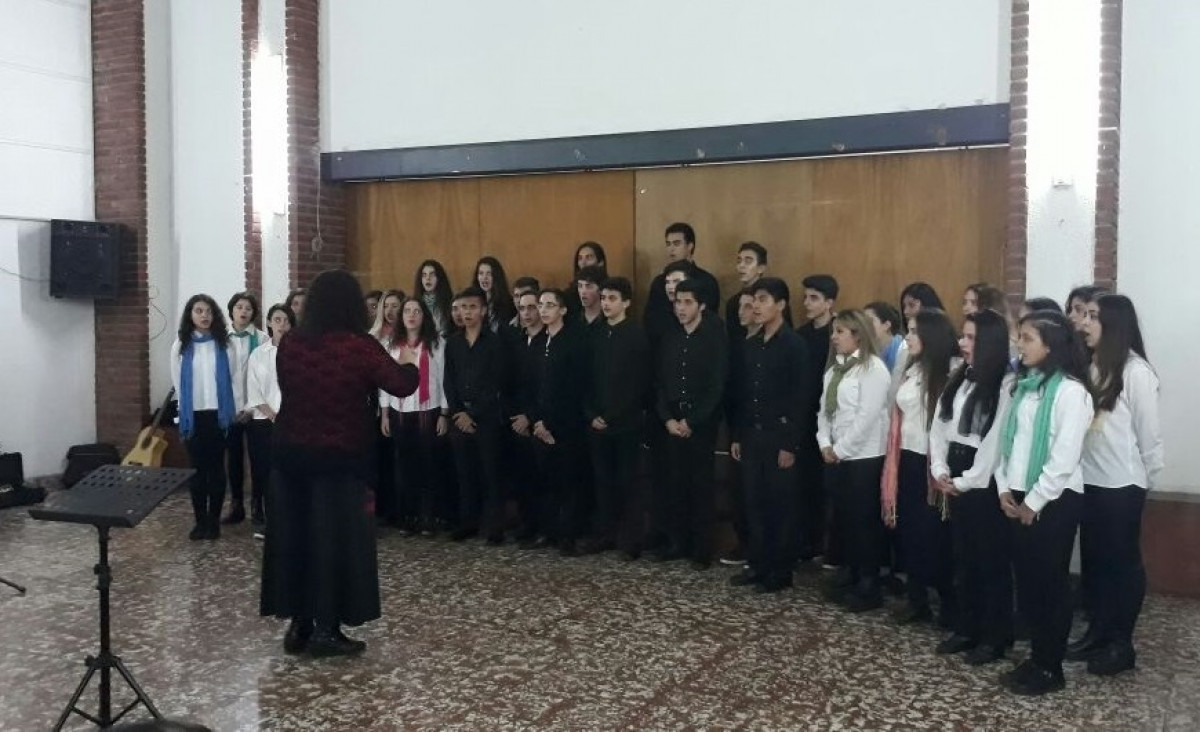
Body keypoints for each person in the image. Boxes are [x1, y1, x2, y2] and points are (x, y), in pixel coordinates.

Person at [260, 269, 419, 657]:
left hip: (289, 459)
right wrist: (411, 361)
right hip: (340, 460)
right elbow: (401, 384)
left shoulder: (292, 343)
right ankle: (327, 630)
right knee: (334, 541)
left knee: (297, 540)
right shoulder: (357, 345)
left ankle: (299, 626)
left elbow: (290, 389)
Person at [996, 310, 1093, 696]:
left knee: (1050, 584)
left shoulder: (1072, 392)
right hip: (1019, 495)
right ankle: (1036, 656)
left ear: (1050, 347)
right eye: (1020, 337)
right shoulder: (1025, 386)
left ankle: (1051, 666)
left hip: (1055, 499)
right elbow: (1009, 443)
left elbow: (1063, 457)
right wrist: (1004, 488)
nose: (1020, 344)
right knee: (1030, 583)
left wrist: (1034, 502)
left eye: (1028, 338)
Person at [1072, 294, 1163, 676]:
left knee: (1120, 565)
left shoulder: (1136, 372)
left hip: (1122, 486)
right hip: (1090, 482)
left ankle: (1120, 643)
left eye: (1094, 317)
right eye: (1086, 315)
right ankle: (1098, 631)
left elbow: (1150, 437)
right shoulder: (1093, 367)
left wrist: (1146, 486)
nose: (1085, 323)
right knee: (1095, 563)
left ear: (1114, 325)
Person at [929, 309, 1015, 666]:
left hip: (983, 480)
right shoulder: (959, 377)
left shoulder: (1005, 385)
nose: (962, 343)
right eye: (962, 336)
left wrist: (966, 481)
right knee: (963, 557)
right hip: (955, 470)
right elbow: (940, 424)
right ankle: (967, 627)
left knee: (989, 561)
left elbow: (995, 442)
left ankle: (994, 636)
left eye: (971, 338)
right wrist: (939, 467)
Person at [729, 278, 812, 593]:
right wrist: (737, 434)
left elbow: (800, 398)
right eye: (754, 300)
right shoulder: (750, 345)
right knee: (754, 503)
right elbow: (743, 393)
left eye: (763, 299)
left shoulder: (794, 346)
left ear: (781, 305)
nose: (757, 306)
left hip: (779, 438)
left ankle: (780, 570)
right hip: (751, 436)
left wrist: (790, 443)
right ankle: (758, 563)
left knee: (780, 505)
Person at [881, 309, 958, 625]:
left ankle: (949, 602)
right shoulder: (911, 369)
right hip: (906, 459)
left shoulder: (952, 372)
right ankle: (917, 600)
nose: (908, 337)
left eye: (914, 331)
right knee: (910, 531)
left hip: (934, 462)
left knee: (935, 534)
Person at [816, 310, 892, 612]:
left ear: (858, 335)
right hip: (835, 455)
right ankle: (851, 571)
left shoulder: (873, 369)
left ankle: (869, 581)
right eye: (834, 331)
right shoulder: (836, 369)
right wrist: (825, 442)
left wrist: (841, 448)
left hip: (863, 457)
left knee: (864, 522)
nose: (834, 337)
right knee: (844, 519)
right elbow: (825, 411)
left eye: (841, 332)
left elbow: (867, 417)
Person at [654, 279, 727, 568]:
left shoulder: (713, 339)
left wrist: (692, 420)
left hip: (701, 424)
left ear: (701, 306)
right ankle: (677, 542)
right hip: (672, 421)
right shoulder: (670, 338)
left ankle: (701, 548)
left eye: (687, 303)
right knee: (675, 483)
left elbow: (716, 385)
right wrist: (668, 418)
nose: (681, 308)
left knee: (700, 485)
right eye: (677, 302)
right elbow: (659, 382)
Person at [584, 277, 650, 558]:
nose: (607, 304)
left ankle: (630, 539)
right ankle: (605, 533)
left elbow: (639, 384)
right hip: (597, 423)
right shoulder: (595, 334)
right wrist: (592, 414)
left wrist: (611, 415)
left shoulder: (636, 335)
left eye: (613, 299)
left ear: (626, 302)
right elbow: (585, 379)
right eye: (605, 298)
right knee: (602, 482)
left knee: (628, 482)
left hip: (626, 423)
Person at [444, 287, 509, 543]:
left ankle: (494, 527)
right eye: (461, 308)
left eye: (471, 307)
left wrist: (474, 412)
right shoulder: (453, 343)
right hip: (460, 417)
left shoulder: (495, 343)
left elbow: (498, 383)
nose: (466, 313)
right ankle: (468, 521)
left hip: (488, 416)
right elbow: (449, 381)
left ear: (483, 310)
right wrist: (458, 412)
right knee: (465, 472)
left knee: (490, 472)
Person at [171, 294, 238, 541]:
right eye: (199, 311)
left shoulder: (225, 344)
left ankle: (214, 521)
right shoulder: (180, 345)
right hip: (194, 415)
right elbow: (177, 382)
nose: (204, 316)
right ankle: (200, 521)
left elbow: (233, 379)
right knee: (197, 472)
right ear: (190, 315)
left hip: (218, 415)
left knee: (217, 469)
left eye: (208, 311)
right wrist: (184, 412)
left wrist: (233, 410)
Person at [381, 297, 449, 536]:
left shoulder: (436, 343)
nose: (411, 315)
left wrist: (444, 412)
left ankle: (428, 516)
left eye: (416, 311)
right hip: (400, 411)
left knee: (428, 463)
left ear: (424, 316)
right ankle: (407, 517)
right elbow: (386, 381)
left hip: (428, 410)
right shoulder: (392, 344)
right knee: (404, 465)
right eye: (407, 311)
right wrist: (385, 414)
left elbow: (443, 380)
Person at [530, 289, 591, 555]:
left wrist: (551, 424)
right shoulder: (537, 341)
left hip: (566, 425)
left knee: (569, 481)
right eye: (541, 305)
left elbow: (574, 389)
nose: (543, 310)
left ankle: (568, 534)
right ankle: (550, 530)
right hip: (540, 423)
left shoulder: (573, 342)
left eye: (550, 305)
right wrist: (537, 421)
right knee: (546, 480)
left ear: (563, 310)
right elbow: (531, 385)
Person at [796, 274, 838, 564]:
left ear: (829, 303)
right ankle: (806, 541)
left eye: (814, 298)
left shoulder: (838, 335)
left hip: (832, 422)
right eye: (806, 297)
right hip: (804, 418)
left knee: (830, 488)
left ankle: (831, 547)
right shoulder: (801, 334)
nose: (807, 303)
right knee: (804, 484)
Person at [244, 303, 295, 530]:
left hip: (292, 421)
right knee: (262, 467)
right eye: (277, 320)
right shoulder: (258, 354)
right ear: (269, 323)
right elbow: (253, 390)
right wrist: (272, 414)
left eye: (286, 320)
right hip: (263, 420)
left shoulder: (299, 353)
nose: (282, 325)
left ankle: (286, 511)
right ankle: (259, 508)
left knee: (286, 469)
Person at [507, 290, 551, 548]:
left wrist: (531, 417)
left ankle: (546, 527)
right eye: (522, 308)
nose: (527, 313)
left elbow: (547, 386)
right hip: (517, 421)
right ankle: (528, 523)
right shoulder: (516, 341)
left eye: (532, 307)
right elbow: (510, 382)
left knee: (543, 478)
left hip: (540, 421)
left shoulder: (549, 342)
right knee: (523, 477)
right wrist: (516, 416)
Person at [721, 289, 760, 565]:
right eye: (740, 306)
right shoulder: (736, 344)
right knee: (739, 491)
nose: (742, 312)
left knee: (757, 492)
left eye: (748, 306)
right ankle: (743, 541)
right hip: (738, 427)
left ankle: (758, 546)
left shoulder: (767, 344)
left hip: (761, 430)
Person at [223, 291, 263, 525]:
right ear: (231, 311)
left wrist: (249, 408)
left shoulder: (263, 338)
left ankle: (258, 506)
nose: (243, 311)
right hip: (230, 410)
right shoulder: (221, 339)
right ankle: (236, 504)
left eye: (248, 308)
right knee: (233, 460)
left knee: (258, 460)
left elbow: (264, 379)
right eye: (239, 307)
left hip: (256, 410)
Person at [368, 290, 404, 524]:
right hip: (373, 401)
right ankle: (377, 508)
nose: (390, 311)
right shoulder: (372, 336)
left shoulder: (403, 336)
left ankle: (395, 507)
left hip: (394, 399)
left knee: (395, 458)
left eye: (395, 306)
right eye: (386, 306)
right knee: (376, 457)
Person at [643, 223, 721, 329]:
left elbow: (710, 319)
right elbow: (650, 319)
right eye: (668, 244)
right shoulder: (659, 282)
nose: (671, 249)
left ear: (690, 246)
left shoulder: (707, 281)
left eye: (676, 244)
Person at [865, 300, 908, 401]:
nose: (864, 326)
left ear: (886, 325)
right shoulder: (862, 349)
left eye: (869, 321)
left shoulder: (903, 349)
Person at [475, 256, 516, 332]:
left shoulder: (508, 303)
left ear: (496, 276)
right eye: (481, 273)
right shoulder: (474, 302)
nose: (484, 277)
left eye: (489, 273)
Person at [413, 260, 454, 336]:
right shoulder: (414, 304)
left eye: (432, 274)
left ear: (439, 278)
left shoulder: (450, 302)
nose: (428, 278)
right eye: (424, 275)